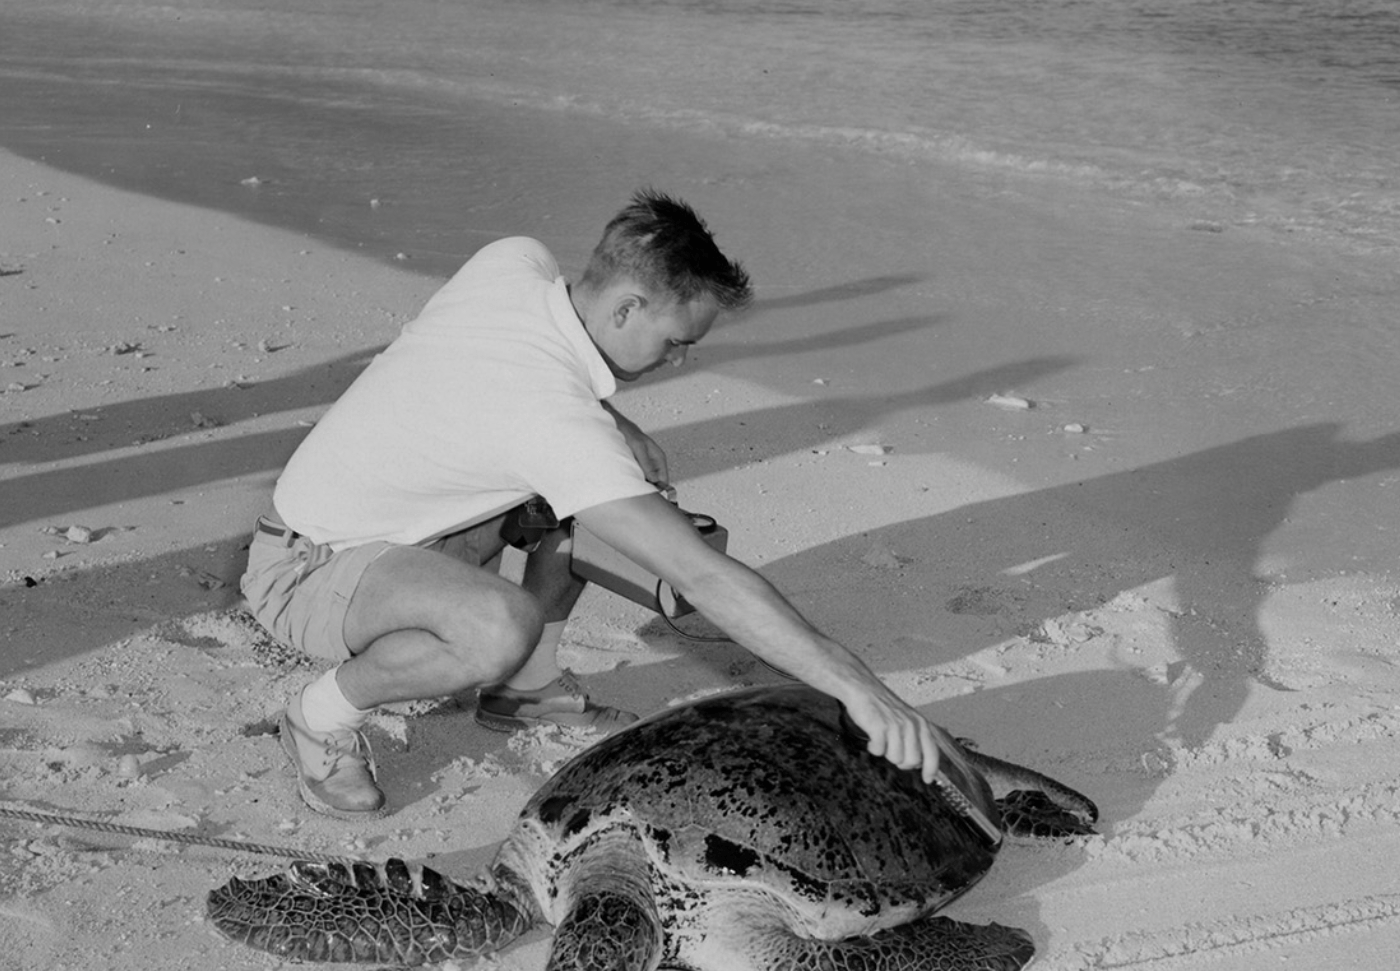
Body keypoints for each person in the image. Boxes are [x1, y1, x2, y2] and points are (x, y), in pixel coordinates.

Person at [242, 190, 941, 818]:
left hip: (395, 528)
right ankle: (317, 715)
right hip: (306, 569)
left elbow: (496, 371)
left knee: (593, 497)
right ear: (626, 306)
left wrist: (614, 423)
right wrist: (856, 686)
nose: (678, 360)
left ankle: (529, 688)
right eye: (674, 342)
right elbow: (701, 575)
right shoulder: (551, 420)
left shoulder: (514, 261)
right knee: (495, 625)